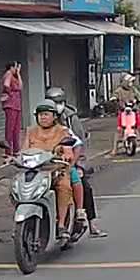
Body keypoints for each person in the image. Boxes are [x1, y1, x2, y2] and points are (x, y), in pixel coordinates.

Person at [46, 86, 107, 238]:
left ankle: (91, 223)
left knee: (84, 186)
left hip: (69, 161)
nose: (57, 106)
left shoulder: (70, 118)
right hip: (46, 163)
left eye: (59, 102)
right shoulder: (42, 119)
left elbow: (79, 142)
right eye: (53, 102)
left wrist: (79, 164)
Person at [24, 100, 85, 239]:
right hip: (36, 171)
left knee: (64, 187)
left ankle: (61, 224)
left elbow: (69, 150)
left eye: (46, 114)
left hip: (56, 170)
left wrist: (66, 156)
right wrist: (14, 158)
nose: (43, 117)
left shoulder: (63, 131)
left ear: (54, 116)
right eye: (40, 115)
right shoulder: (31, 131)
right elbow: (24, 150)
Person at [111, 74, 140, 154]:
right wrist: (114, 98)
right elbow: (115, 95)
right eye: (130, 81)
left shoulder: (133, 89)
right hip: (123, 112)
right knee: (119, 129)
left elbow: (139, 96)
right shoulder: (119, 90)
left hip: (134, 111)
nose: (131, 83)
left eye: (132, 82)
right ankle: (114, 149)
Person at [0, 61, 23, 153]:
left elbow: (20, 87)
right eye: (16, 67)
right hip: (11, 104)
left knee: (16, 128)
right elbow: (6, 84)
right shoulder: (8, 74)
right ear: (12, 67)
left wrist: (18, 73)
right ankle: (8, 150)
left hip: (16, 104)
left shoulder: (14, 76)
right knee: (10, 128)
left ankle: (16, 149)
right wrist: (10, 93)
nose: (16, 69)